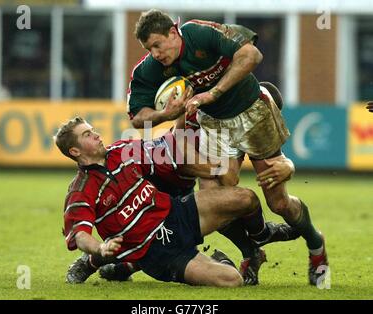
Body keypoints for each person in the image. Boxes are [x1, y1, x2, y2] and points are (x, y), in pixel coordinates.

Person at [127, 9, 328, 286]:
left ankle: (316, 244)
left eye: (157, 45)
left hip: (253, 113)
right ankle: (252, 250)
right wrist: (165, 114)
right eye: (150, 49)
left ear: (173, 32)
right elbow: (138, 116)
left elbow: (252, 55)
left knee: (279, 202)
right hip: (214, 124)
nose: (155, 54)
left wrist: (214, 93)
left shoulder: (200, 33)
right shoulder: (151, 68)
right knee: (214, 201)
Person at [55, 116, 298, 287]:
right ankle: (216, 261)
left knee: (247, 198)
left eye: (93, 130)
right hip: (157, 252)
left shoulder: (122, 150)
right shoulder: (80, 190)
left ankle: (260, 235)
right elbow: (80, 235)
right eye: (87, 134)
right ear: (75, 151)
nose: (96, 134)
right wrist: (99, 248)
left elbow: (166, 147)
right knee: (231, 280)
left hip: (175, 213)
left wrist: (182, 118)